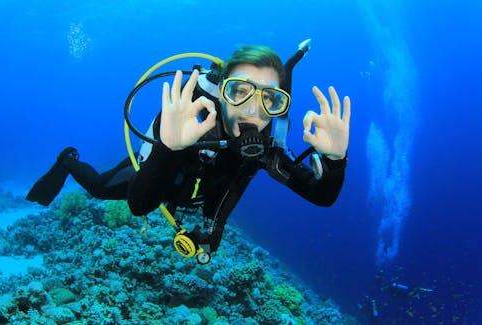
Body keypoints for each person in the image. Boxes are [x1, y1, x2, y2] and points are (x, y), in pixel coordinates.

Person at [27, 45, 350, 259]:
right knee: (99, 188)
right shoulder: (191, 125)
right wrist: (169, 148)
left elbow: (321, 195)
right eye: (239, 91)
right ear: (220, 94)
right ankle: (67, 160)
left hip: (192, 193)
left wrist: (336, 161)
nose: (253, 110)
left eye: (270, 99)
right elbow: (140, 205)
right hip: (158, 168)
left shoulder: (266, 148)